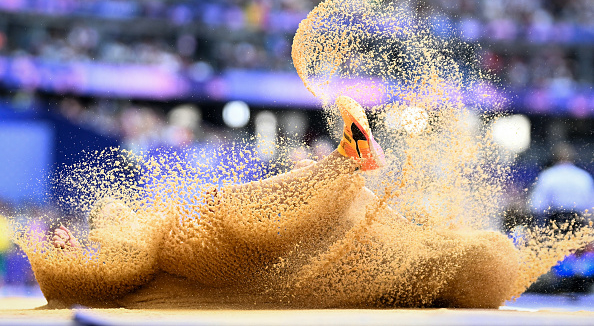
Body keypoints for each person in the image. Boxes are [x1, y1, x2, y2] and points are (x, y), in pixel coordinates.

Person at [45, 96, 518, 309]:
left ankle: (344, 167)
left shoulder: (149, 240)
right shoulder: (139, 269)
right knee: (238, 213)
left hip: (261, 253)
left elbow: (92, 277)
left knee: (233, 212)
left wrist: (73, 260)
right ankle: (344, 167)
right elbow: (88, 283)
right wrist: (73, 261)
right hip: (274, 258)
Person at [530, 142, 594, 222]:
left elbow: (537, 205)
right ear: (573, 158)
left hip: (555, 220)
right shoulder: (583, 176)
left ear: (554, 158)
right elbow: (591, 205)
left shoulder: (548, 176)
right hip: (578, 221)